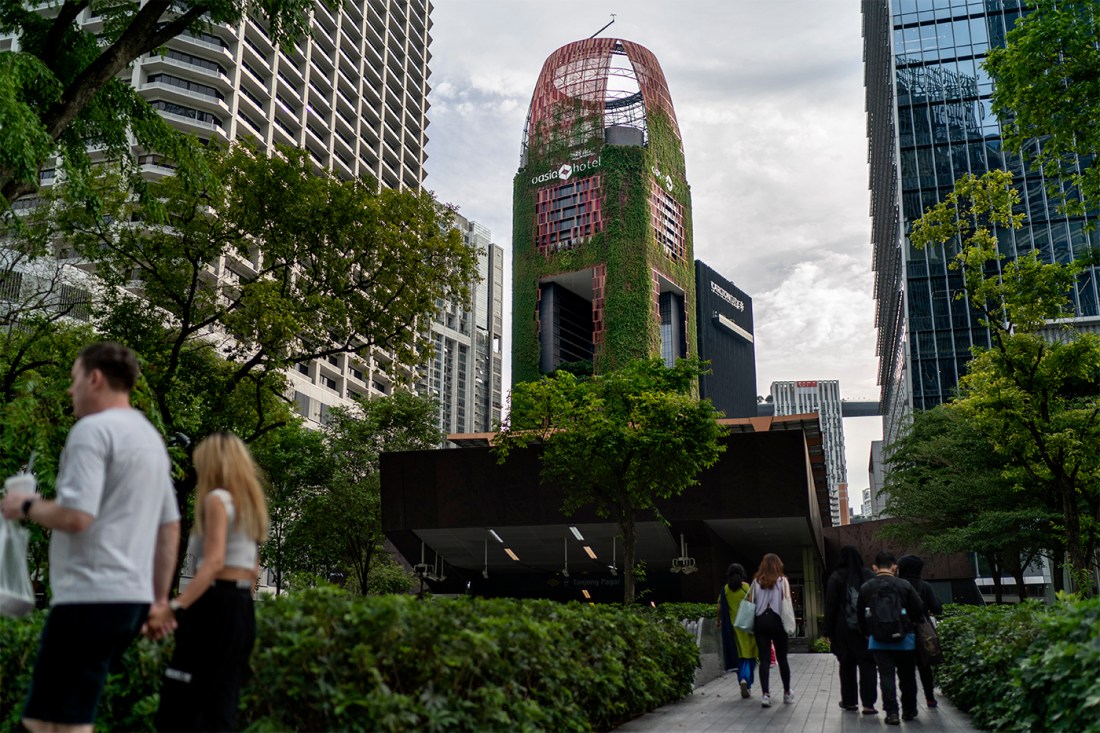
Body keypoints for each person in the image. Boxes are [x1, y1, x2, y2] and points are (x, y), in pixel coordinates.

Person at [0, 342, 181, 733]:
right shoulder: (151, 440)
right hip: (129, 603)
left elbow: (78, 515)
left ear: (94, 378)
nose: (71, 390)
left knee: (45, 722)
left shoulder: (92, 431)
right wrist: (160, 599)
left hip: (89, 596)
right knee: (64, 720)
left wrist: (27, 505)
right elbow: (170, 526)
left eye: (74, 379)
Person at [148, 432, 268, 732]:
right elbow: (253, 572)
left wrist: (175, 607)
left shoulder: (216, 499)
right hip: (241, 611)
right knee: (221, 706)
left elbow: (212, 564)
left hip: (213, 608)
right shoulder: (248, 505)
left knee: (182, 706)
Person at [858, 550, 925, 726]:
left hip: (878, 640)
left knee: (886, 676)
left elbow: (860, 615)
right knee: (907, 676)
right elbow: (919, 609)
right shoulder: (904, 585)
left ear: (874, 567)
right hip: (905, 639)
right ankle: (909, 710)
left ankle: (892, 713)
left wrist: (868, 632)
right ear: (894, 567)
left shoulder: (866, 587)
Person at [824, 545, 878, 714]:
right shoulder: (868, 575)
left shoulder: (837, 576)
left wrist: (827, 630)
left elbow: (831, 605)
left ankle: (849, 702)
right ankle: (869, 704)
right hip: (865, 630)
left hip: (843, 629)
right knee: (868, 665)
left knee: (846, 665)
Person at [898, 554, 943, 708]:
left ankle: (909, 705)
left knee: (906, 670)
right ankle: (930, 698)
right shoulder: (925, 586)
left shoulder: (898, 585)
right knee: (925, 667)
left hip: (902, 630)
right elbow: (937, 608)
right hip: (922, 631)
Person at [750, 553, 795, 708]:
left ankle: (765, 694)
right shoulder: (783, 581)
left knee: (764, 660)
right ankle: (787, 692)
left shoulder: (756, 582)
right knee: (782, 659)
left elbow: (751, 601)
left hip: (760, 621)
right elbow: (787, 601)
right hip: (778, 621)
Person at [717, 563, 759, 698]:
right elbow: (755, 604)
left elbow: (719, 607)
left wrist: (718, 621)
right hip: (747, 627)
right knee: (750, 656)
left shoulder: (725, 590)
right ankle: (746, 679)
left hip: (733, 629)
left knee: (739, 656)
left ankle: (741, 678)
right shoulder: (746, 587)